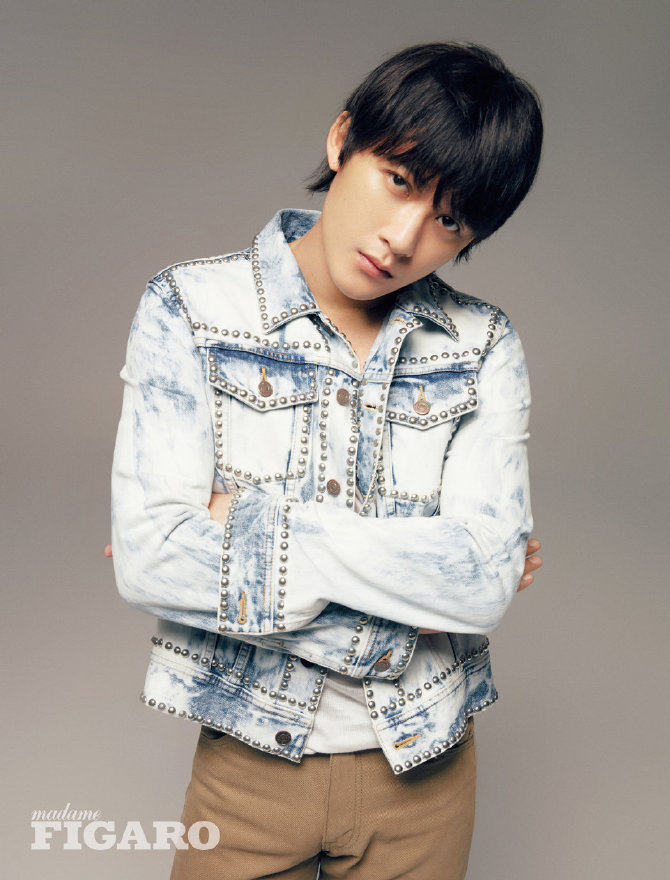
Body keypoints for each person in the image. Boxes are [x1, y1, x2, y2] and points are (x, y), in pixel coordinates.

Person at [107, 40, 544, 880]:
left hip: (426, 774)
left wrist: (248, 525)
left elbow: (481, 583)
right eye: (400, 180)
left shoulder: (482, 345)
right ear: (344, 140)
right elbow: (152, 559)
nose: (404, 237)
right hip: (250, 769)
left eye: (451, 221)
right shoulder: (191, 309)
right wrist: (410, 596)